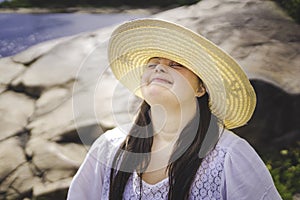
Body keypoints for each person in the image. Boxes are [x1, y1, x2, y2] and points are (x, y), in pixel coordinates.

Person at [67, 18, 282, 200]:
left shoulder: (230, 156)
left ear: (200, 88)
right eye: (153, 64)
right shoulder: (108, 148)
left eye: (176, 64)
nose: (160, 67)